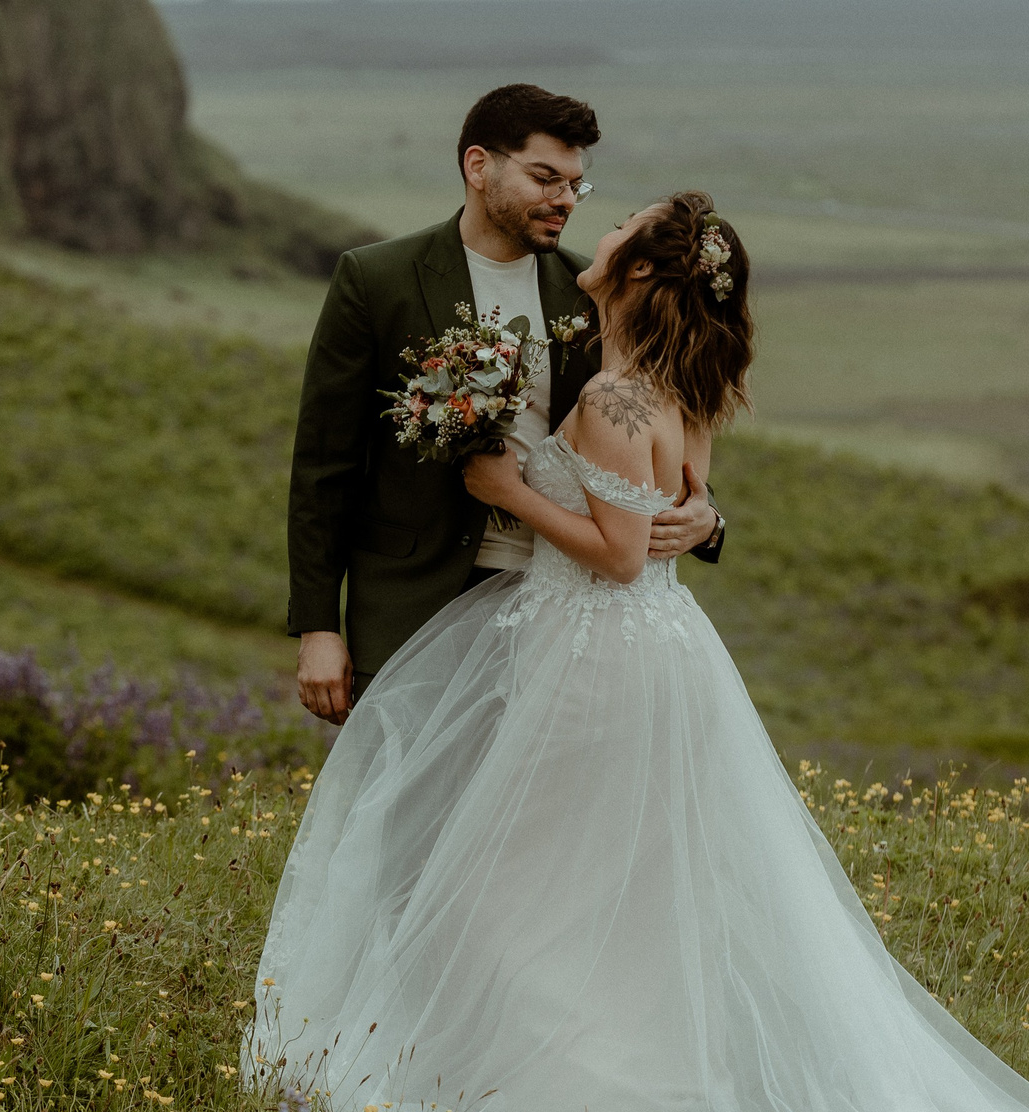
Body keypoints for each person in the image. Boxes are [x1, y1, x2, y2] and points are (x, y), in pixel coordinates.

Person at [249, 191, 1029, 1112]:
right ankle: (632, 1074)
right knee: (620, 876)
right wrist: (684, 511)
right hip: (659, 656)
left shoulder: (611, 401)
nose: (604, 223)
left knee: (532, 871)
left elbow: (622, 555)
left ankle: (561, 1081)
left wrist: (506, 490)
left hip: (589, 651)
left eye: (622, 221)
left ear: (637, 274)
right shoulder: (680, 391)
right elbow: (686, 505)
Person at [284, 84, 722, 727]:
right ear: (478, 165)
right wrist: (318, 626)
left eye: (576, 185)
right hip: (412, 599)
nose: (565, 199)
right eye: (546, 178)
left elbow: (656, 424)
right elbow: (324, 466)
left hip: (553, 602)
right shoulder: (376, 280)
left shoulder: (591, 294)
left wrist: (707, 519)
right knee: (398, 812)